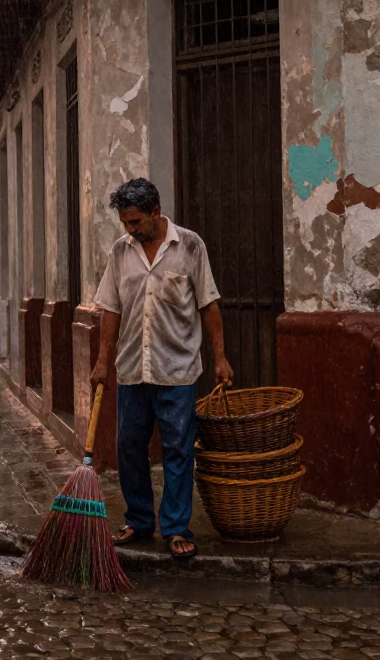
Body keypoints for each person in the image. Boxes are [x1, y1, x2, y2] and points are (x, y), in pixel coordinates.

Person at [90, 177, 232, 561]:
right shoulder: (121, 251)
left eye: (135, 222)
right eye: (125, 223)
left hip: (177, 368)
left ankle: (175, 527)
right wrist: (103, 361)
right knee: (129, 448)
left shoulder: (189, 245)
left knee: (178, 450)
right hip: (133, 368)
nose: (130, 230)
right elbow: (110, 309)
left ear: (155, 213)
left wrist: (220, 356)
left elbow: (208, 305)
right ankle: (138, 519)